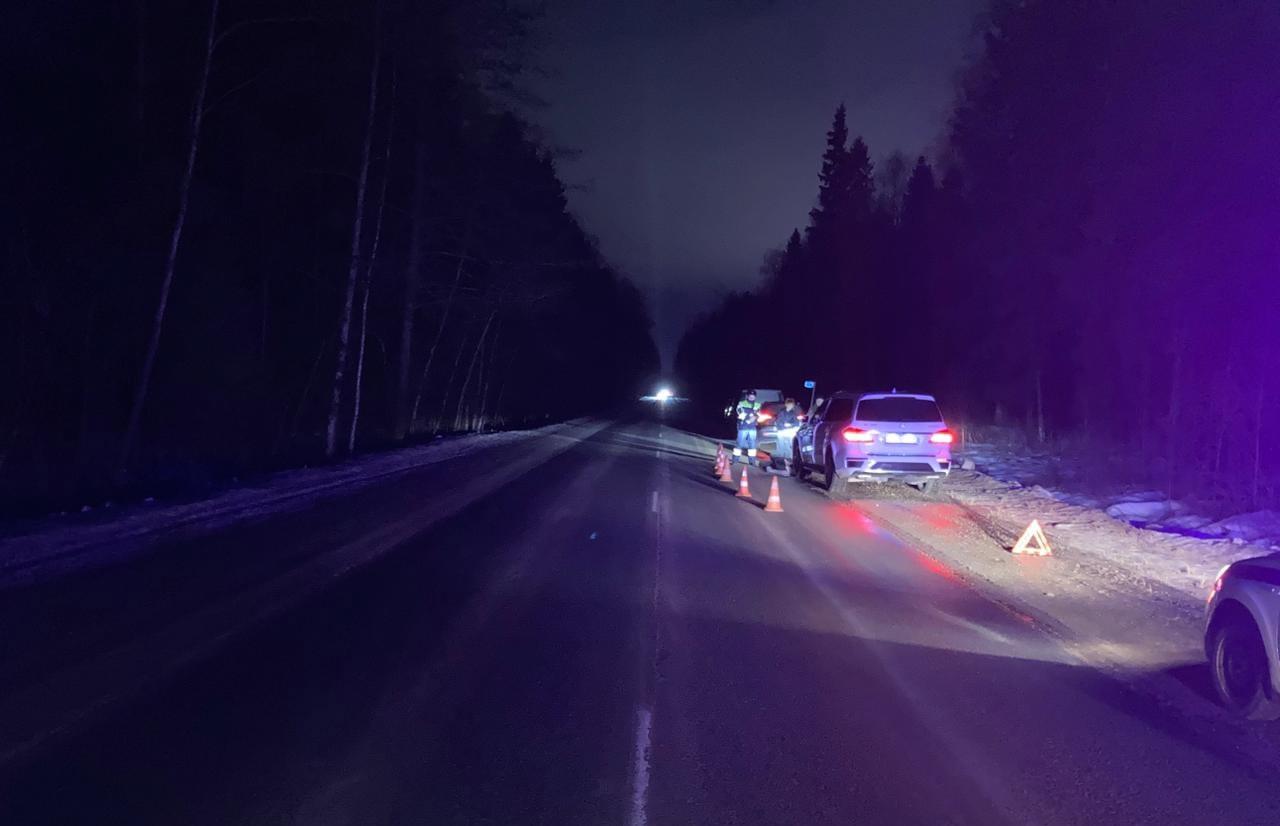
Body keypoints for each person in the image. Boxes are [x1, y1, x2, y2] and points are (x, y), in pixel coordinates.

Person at [774, 397, 801, 472]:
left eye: (792, 404)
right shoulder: (782, 412)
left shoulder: (793, 413)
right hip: (781, 432)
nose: (790, 406)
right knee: (781, 447)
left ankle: (789, 463)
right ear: (786, 404)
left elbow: (796, 422)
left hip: (789, 432)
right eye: (789, 404)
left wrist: (789, 425)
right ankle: (780, 464)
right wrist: (784, 426)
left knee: (789, 447)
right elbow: (779, 422)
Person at [733, 390, 761, 464]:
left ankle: (752, 462)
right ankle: (735, 461)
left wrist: (754, 417)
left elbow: (759, 413)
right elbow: (739, 412)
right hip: (743, 427)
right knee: (739, 444)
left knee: (752, 446)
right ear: (747, 396)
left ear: (755, 397)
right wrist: (749, 418)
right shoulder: (741, 403)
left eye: (753, 396)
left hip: (752, 428)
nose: (751, 397)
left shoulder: (758, 404)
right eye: (750, 396)